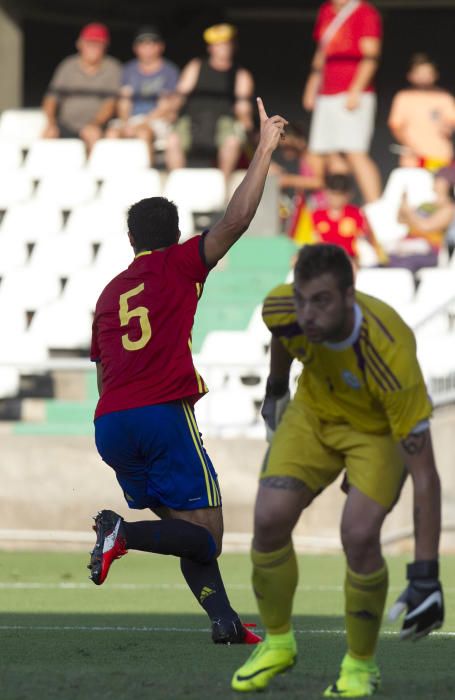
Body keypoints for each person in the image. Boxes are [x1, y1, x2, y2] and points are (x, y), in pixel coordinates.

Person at [88, 98, 288, 645]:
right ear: (176, 236)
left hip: (111, 424)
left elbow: (104, 374)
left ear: (131, 240)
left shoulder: (109, 293)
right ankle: (120, 532)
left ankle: (224, 623)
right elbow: (238, 219)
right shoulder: (179, 265)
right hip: (161, 416)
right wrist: (265, 146)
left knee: (184, 532)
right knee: (209, 536)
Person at [232, 243, 444, 695]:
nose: (308, 312)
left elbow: (426, 473)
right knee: (268, 519)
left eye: (322, 301)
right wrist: (275, 390)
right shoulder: (283, 306)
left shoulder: (390, 350)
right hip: (314, 411)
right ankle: (278, 642)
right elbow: (283, 332)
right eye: (303, 298)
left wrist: (425, 574)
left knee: (360, 534)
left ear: (350, 296)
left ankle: (360, 666)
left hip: (377, 431)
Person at [303, 0, 382, 203]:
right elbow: (322, 50)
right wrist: (312, 84)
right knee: (325, 152)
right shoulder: (326, 10)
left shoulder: (365, 12)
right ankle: (336, 206)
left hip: (353, 92)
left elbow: (371, 55)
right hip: (327, 91)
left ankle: (375, 208)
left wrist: (355, 90)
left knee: (355, 151)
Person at [165, 23, 254, 179]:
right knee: (172, 140)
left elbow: (243, 106)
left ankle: (223, 189)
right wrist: (171, 111)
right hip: (193, 121)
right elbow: (180, 94)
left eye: (227, 44)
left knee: (232, 142)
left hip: (223, 122)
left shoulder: (241, 75)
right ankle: (176, 184)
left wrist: (246, 122)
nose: (224, 49)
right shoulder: (196, 66)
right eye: (219, 45)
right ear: (210, 48)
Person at [42, 23, 121, 152]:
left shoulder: (113, 68)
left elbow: (110, 104)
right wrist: (51, 123)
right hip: (66, 125)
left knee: (92, 134)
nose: (93, 48)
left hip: (97, 125)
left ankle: (93, 172)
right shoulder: (67, 66)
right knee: (48, 135)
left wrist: (94, 124)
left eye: (98, 44)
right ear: (80, 44)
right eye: (90, 43)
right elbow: (51, 99)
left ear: (105, 47)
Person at [105, 26, 179, 165]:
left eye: (152, 44)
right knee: (111, 134)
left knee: (143, 133)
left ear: (160, 47)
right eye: (143, 45)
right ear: (136, 48)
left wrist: (142, 122)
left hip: (156, 119)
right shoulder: (128, 70)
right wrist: (125, 122)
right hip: (131, 119)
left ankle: (147, 174)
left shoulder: (169, 71)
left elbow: (165, 106)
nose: (147, 49)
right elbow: (124, 100)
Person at [388, 53, 455, 172]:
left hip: (441, 156)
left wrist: (448, 128)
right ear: (410, 75)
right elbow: (396, 125)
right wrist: (410, 146)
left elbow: (451, 121)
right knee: (412, 186)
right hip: (413, 159)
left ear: (435, 75)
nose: (424, 77)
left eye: (428, 73)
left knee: (441, 186)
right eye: (420, 73)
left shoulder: (444, 97)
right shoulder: (403, 97)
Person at [388, 167, 455, 273]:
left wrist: (409, 213)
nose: (435, 180)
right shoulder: (426, 205)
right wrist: (403, 204)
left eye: (439, 179)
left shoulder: (449, 209)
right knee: (384, 260)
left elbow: (426, 226)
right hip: (408, 247)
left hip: (430, 252)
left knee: (398, 264)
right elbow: (401, 220)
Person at [311, 173, 385, 264]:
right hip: (323, 261)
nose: (336, 198)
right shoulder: (316, 216)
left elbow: (367, 239)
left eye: (340, 194)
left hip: (351, 261)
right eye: (333, 193)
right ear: (326, 193)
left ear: (348, 195)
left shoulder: (356, 214)